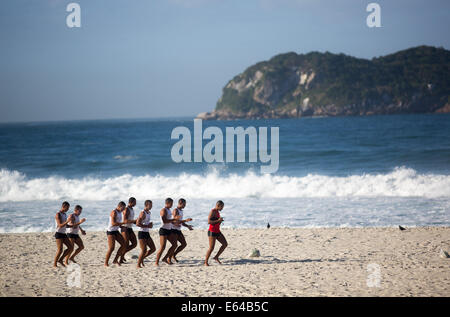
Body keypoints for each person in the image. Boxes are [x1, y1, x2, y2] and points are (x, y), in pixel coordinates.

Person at [155, 198, 182, 266]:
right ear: (167, 203)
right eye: (171, 203)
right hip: (163, 230)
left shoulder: (169, 210)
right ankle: (156, 262)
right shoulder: (163, 210)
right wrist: (174, 219)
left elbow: (171, 221)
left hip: (169, 230)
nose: (172, 205)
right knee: (162, 247)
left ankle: (165, 258)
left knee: (175, 245)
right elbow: (165, 221)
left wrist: (178, 222)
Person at [53, 201, 78, 267]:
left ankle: (60, 260)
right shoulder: (58, 214)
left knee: (70, 248)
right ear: (63, 207)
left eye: (68, 208)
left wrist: (72, 225)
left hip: (63, 233)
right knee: (60, 250)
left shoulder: (64, 214)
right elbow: (60, 225)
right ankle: (54, 264)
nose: (68, 209)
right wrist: (67, 221)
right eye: (67, 208)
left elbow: (65, 225)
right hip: (58, 233)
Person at [170, 198, 193, 263]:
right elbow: (174, 221)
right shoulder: (175, 210)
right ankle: (169, 258)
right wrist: (186, 220)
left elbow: (181, 222)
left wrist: (188, 226)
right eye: (184, 204)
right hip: (173, 230)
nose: (185, 205)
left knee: (184, 244)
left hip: (178, 230)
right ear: (180, 203)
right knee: (174, 245)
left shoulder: (181, 211)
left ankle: (173, 255)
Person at [204, 200, 227, 266]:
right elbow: (209, 221)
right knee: (211, 248)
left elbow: (216, 221)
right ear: (218, 206)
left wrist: (219, 221)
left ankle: (216, 257)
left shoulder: (217, 212)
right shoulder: (213, 211)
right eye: (222, 207)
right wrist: (218, 220)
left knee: (225, 244)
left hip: (217, 231)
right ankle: (205, 262)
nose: (222, 208)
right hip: (212, 231)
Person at [105, 201, 127, 267]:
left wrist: (121, 226)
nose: (123, 209)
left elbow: (118, 222)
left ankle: (115, 260)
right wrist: (122, 223)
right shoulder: (114, 212)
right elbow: (113, 223)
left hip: (116, 231)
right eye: (123, 208)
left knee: (123, 244)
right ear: (120, 206)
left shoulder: (120, 212)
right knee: (111, 248)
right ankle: (106, 263)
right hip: (110, 231)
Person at [135, 200, 156, 268]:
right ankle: (138, 264)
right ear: (146, 205)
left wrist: (150, 224)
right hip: (141, 233)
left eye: (152, 205)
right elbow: (137, 223)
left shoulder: (149, 213)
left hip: (146, 233)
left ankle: (142, 259)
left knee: (153, 249)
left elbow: (145, 222)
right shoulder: (142, 213)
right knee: (144, 250)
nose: (151, 206)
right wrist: (147, 226)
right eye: (150, 205)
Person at [119, 197, 137, 264]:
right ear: (131, 202)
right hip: (125, 228)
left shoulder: (132, 209)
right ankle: (121, 257)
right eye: (135, 202)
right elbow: (125, 221)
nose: (135, 204)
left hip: (129, 228)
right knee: (126, 244)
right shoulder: (126, 209)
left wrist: (136, 222)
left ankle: (121, 254)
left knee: (134, 244)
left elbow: (130, 220)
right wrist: (134, 221)